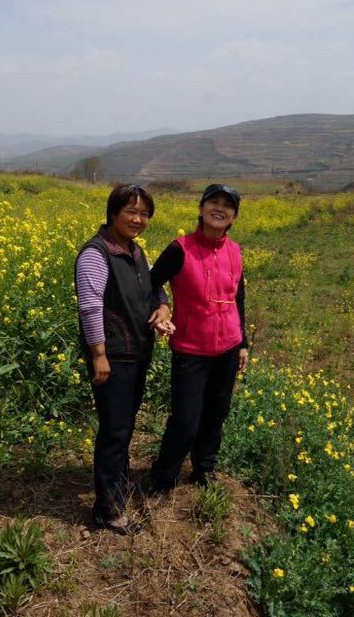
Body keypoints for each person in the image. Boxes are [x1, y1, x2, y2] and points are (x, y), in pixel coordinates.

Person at [74, 183, 172, 535]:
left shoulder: (135, 252)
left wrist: (162, 307)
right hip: (113, 357)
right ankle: (109, 511)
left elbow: (153, 287)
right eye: (131, 211)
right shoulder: (95, 255)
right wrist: (98, 354)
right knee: (115, 431)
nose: (138, 219)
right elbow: (90, 306)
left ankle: (116, 485)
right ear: (112, 213)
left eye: (144, 213)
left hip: (136, 353)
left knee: (124, 425)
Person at [150, 183, 248, 492]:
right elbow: (151, 282)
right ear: (201, 209)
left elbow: (238, 297)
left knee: (216, 415)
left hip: (228, 347)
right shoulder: (181, 248)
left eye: (227, 206)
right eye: (213, 202)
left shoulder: (234, 250)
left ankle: (204, 469)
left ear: (233, 217)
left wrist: (243, 342)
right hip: (191, 350)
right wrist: (163, 306)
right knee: (185, 421)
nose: (220, 209)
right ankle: (164, 477)